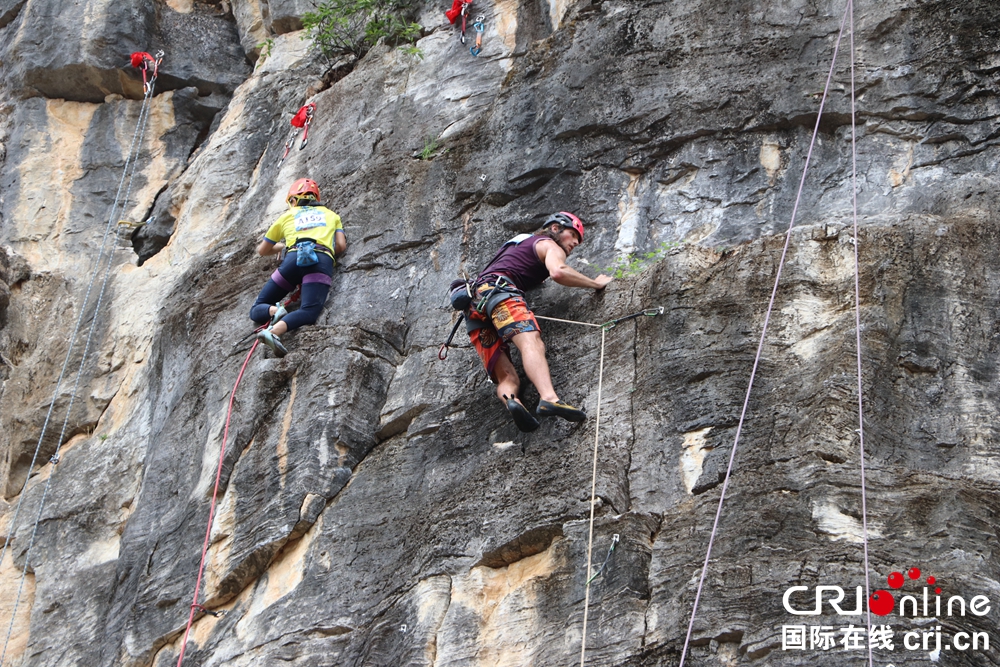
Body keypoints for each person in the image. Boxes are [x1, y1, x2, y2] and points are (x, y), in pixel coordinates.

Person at [465, 212, 612, 432]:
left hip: (473, 307)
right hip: (500, 295)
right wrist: (595, 284)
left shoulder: (518, 244)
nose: (574, 243)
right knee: (531, 343)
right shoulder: (548, 245)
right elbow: (559, 272)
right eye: (572, 235)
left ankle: (512, 401)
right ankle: (549, 398)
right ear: (555, 229)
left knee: (506, 376)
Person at [250, 178, 347, 357]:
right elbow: (341, 246)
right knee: (309, 311)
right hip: (320, 259)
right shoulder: (332, 215)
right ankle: (273, 332)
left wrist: (283, 246)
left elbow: (263, 250)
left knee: (257, 309)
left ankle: (275, 310)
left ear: (293, 200)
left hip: (293, 259)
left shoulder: (288, 216)